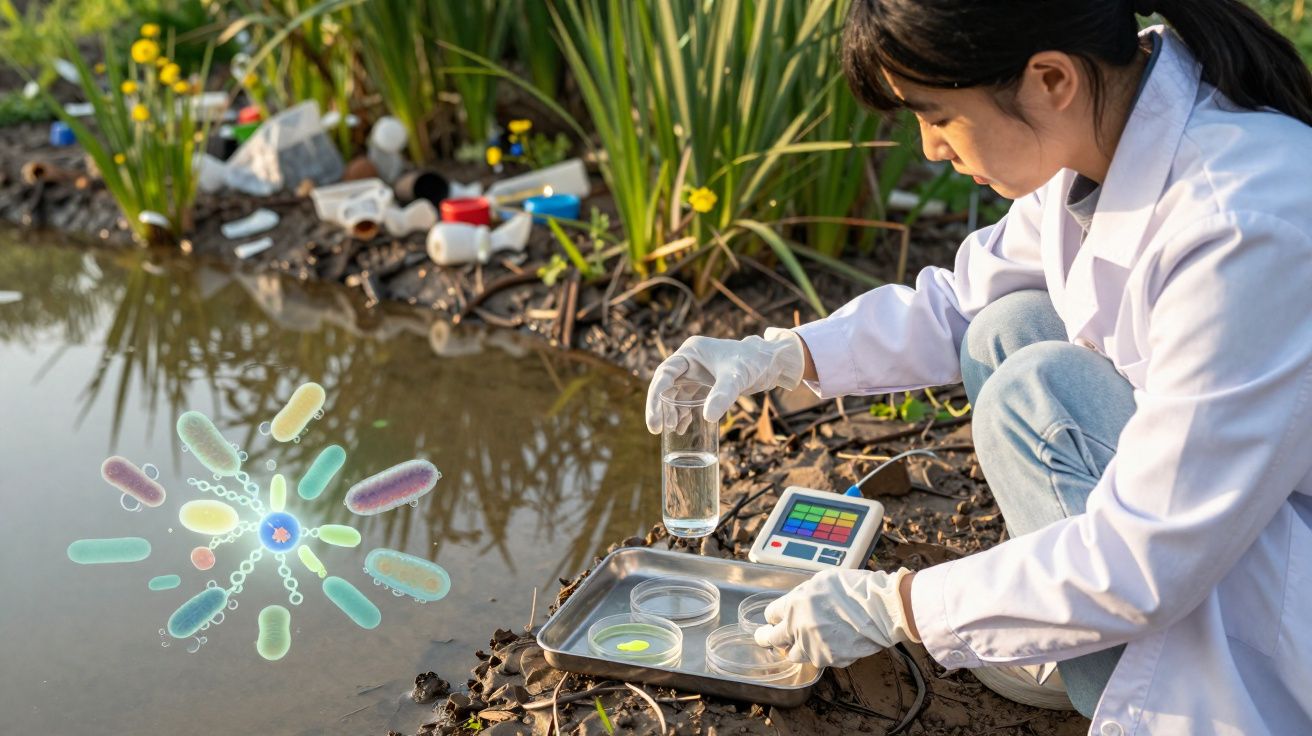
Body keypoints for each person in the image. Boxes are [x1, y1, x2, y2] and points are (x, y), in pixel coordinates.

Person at [645, 0, 1312, 731]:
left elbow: (1148, 551)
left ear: (1049, 79)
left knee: (1033, 393)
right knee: (1008, 328)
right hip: (1218, 514)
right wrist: (779, 356)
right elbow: (959, 303)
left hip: (1254, 574)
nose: (931, 149)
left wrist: (897, 605)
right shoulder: (1098, 134)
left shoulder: (1242, 225)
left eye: (938, 116)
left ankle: (1134, 682)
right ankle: (1080, 640)